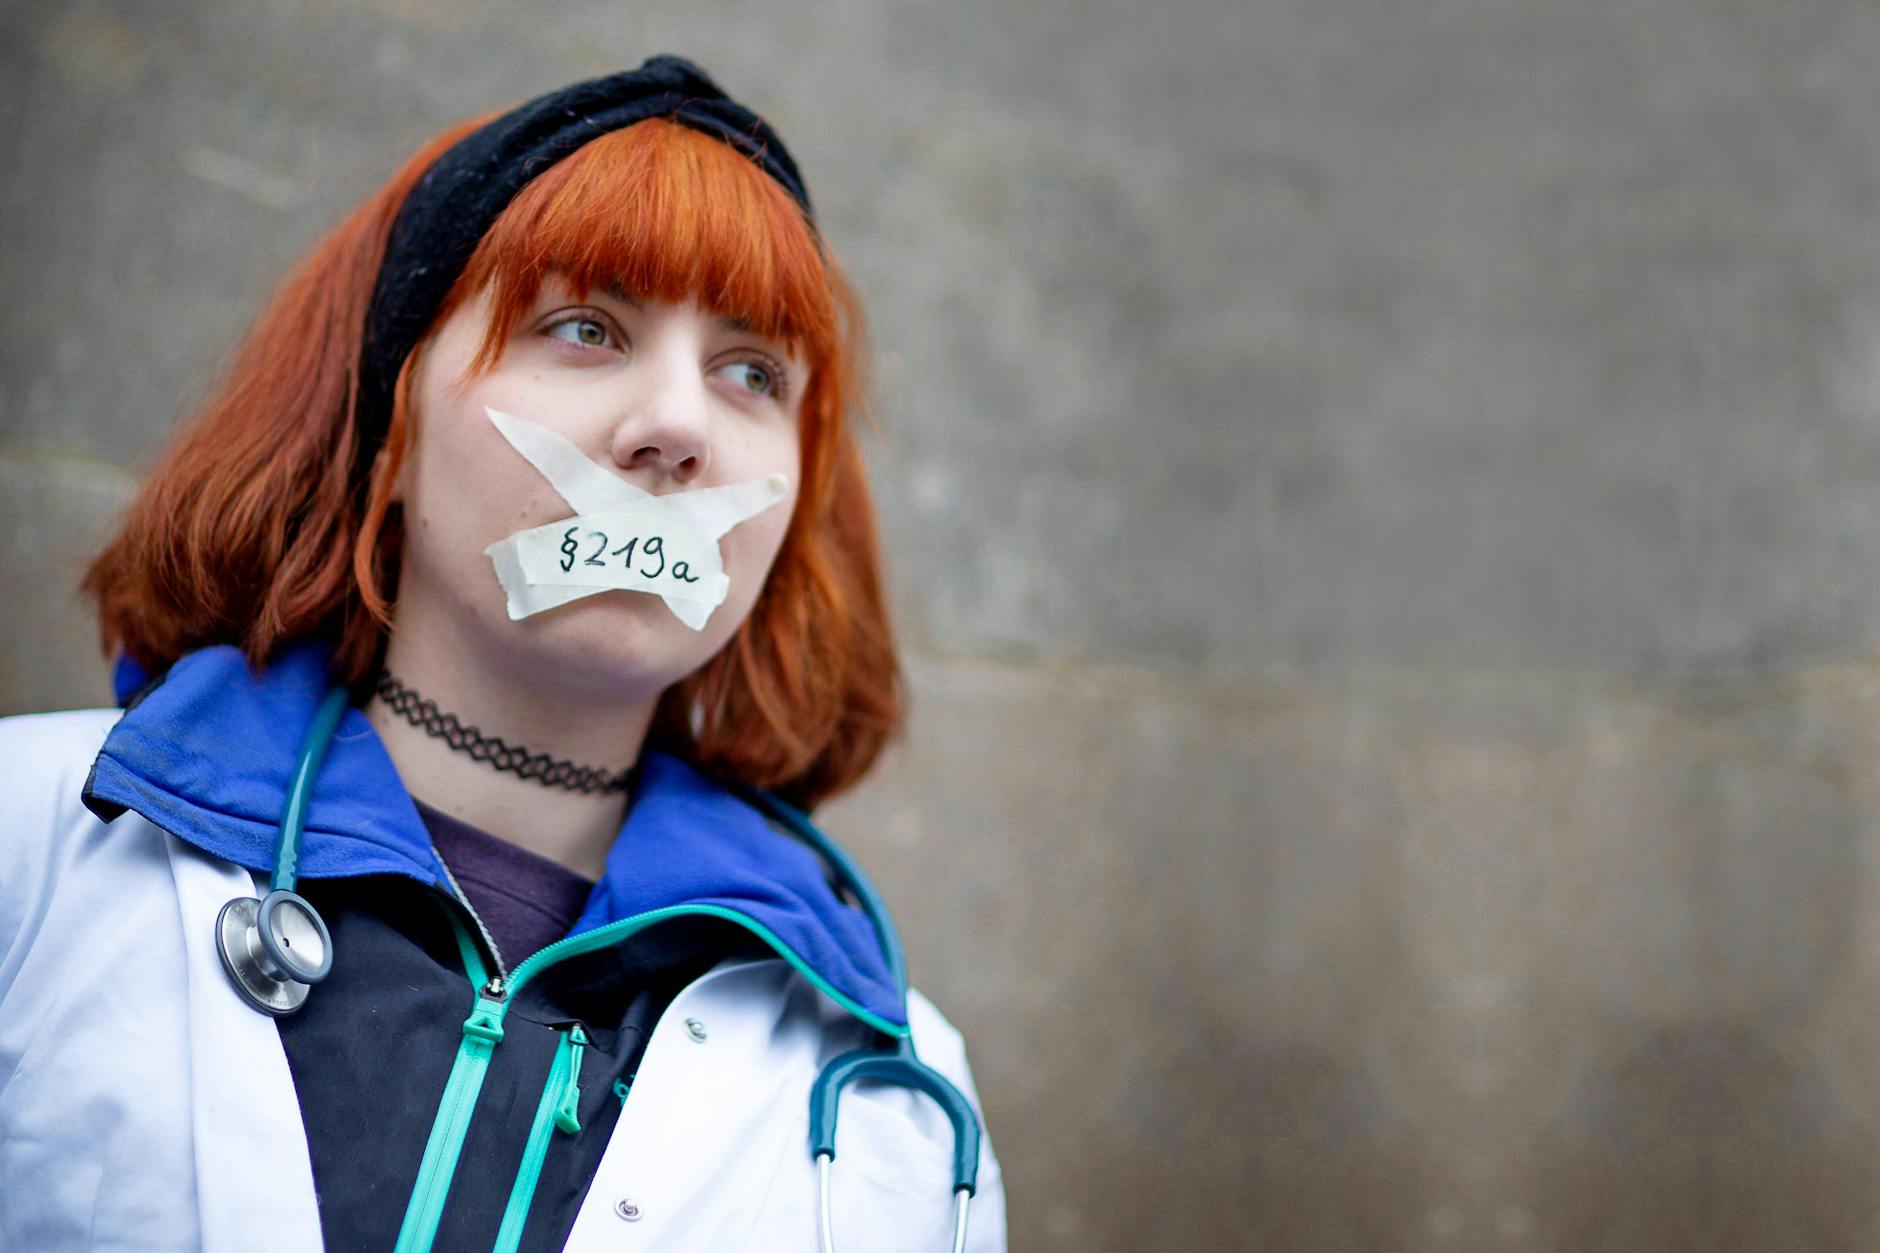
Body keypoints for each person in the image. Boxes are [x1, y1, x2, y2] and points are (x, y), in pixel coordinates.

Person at [0, 54, 1005, 1252]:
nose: (679, 426)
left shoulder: (903, 1099)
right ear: (389, 435)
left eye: (752, 371)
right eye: (584, 327)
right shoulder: (31, 846)